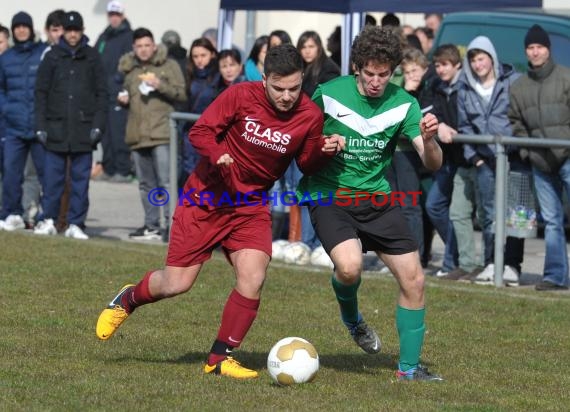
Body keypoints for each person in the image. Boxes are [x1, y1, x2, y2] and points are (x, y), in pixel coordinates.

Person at [95, 44, 344, 379]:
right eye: (279, 88)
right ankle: (128, 299)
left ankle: (219, 358)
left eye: (294, 89)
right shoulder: (241, 95)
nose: (287, 97)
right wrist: (216, 155)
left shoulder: (310, 115)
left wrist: (324, 151)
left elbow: (306, 161)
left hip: (250, 205)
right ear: (264, 78)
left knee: (253, 276)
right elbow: (199, 132)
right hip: (206, 198)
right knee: (176, 283)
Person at [297, 25, 443, 381]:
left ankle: (408, 370)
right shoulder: (328, 94)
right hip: (330, 194)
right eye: (370, 73)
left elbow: (431, 162)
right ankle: (352, 319)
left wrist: (430, 140)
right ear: (356, 67)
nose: (377, 81)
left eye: (384, 74)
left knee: (415, 279)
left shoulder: (404, 104)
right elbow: (301, 145)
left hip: (377, 198)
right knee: (349, 268)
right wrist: (322, 146)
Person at [33, 11, 108, 240]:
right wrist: (40, 125)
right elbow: (41, 93)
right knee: (52, 181)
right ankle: (48, 220)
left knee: (80, 182)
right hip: (55, 129)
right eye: (69, 30)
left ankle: (77, 223)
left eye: (77, 30)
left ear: (82, 31)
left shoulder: (93, 56)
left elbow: (102, 94)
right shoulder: (52, 56)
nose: (73, 34)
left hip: (83, 130)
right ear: (63, 31)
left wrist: (98, 126)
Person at [508, 25, 570, 291]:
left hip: (568, 158)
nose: (535, 52)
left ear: (548, 49)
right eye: (530, 47)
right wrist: (527, 152)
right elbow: (516, 122)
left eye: (539, 47)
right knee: (553, 221)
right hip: (540, 163)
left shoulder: (566, 78)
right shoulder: (519, 87)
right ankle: (555, 276)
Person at [458, 36, 523, 286]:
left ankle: (512, 265)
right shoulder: (465, 87)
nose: (477, 64)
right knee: (488, 214)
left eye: (481, 58)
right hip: (484, 160)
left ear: (492, 58)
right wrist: (475, 158)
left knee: (515, 214)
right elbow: (464, 125)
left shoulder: (512, 81)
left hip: (513, 157)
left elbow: (520, 117)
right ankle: (491, 263)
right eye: (473, 60)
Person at [118, 28, 187, 241]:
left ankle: (172, 227)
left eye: (147, 45)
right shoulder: (130, 70)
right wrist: (123, 100)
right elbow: (128, 95)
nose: (143, 50)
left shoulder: (169, 65)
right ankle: (152, 225)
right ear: (133, 48)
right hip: (138, 134)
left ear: (154, 45)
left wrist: (160, 85)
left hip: (162, 133)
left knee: (166, 182)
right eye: (139, 46)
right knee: (145, 184)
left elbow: (182, 93)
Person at [427, 44, 477, 280]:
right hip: (450, 159)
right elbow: (432, 113)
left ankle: (460, 261)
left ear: (457, 64)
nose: (440, 69)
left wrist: (451, 128)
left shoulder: (467, 86)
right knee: (435, 205)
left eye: (445, 64)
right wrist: (440, 125)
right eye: (437, 65)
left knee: (474, 214)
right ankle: (455, 255)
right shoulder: (437, 86)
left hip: (470, 157)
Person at [0, 11, 48, 231]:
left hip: (39, 127)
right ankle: (11, 213)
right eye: (17, 27)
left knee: (45, 175)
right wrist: (7, 109)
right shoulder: (5, 58)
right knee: (11, 173)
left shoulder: (42, 54)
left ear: (30, 29)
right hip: (14, 127)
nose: (21, 30)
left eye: (24, 26)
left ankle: (46, 216)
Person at [94, 0, 133, 183]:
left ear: (123, 15)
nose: (114, 18)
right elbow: (95, 58)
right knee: (106, 133)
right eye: (111, 15)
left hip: (118, 93)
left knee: (118, 133)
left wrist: (122, 87)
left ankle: (123, 170)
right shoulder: (104, 37)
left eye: (117, 15)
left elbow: (130, 66)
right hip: (103, 92)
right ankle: (109, 168)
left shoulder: (128, 37)